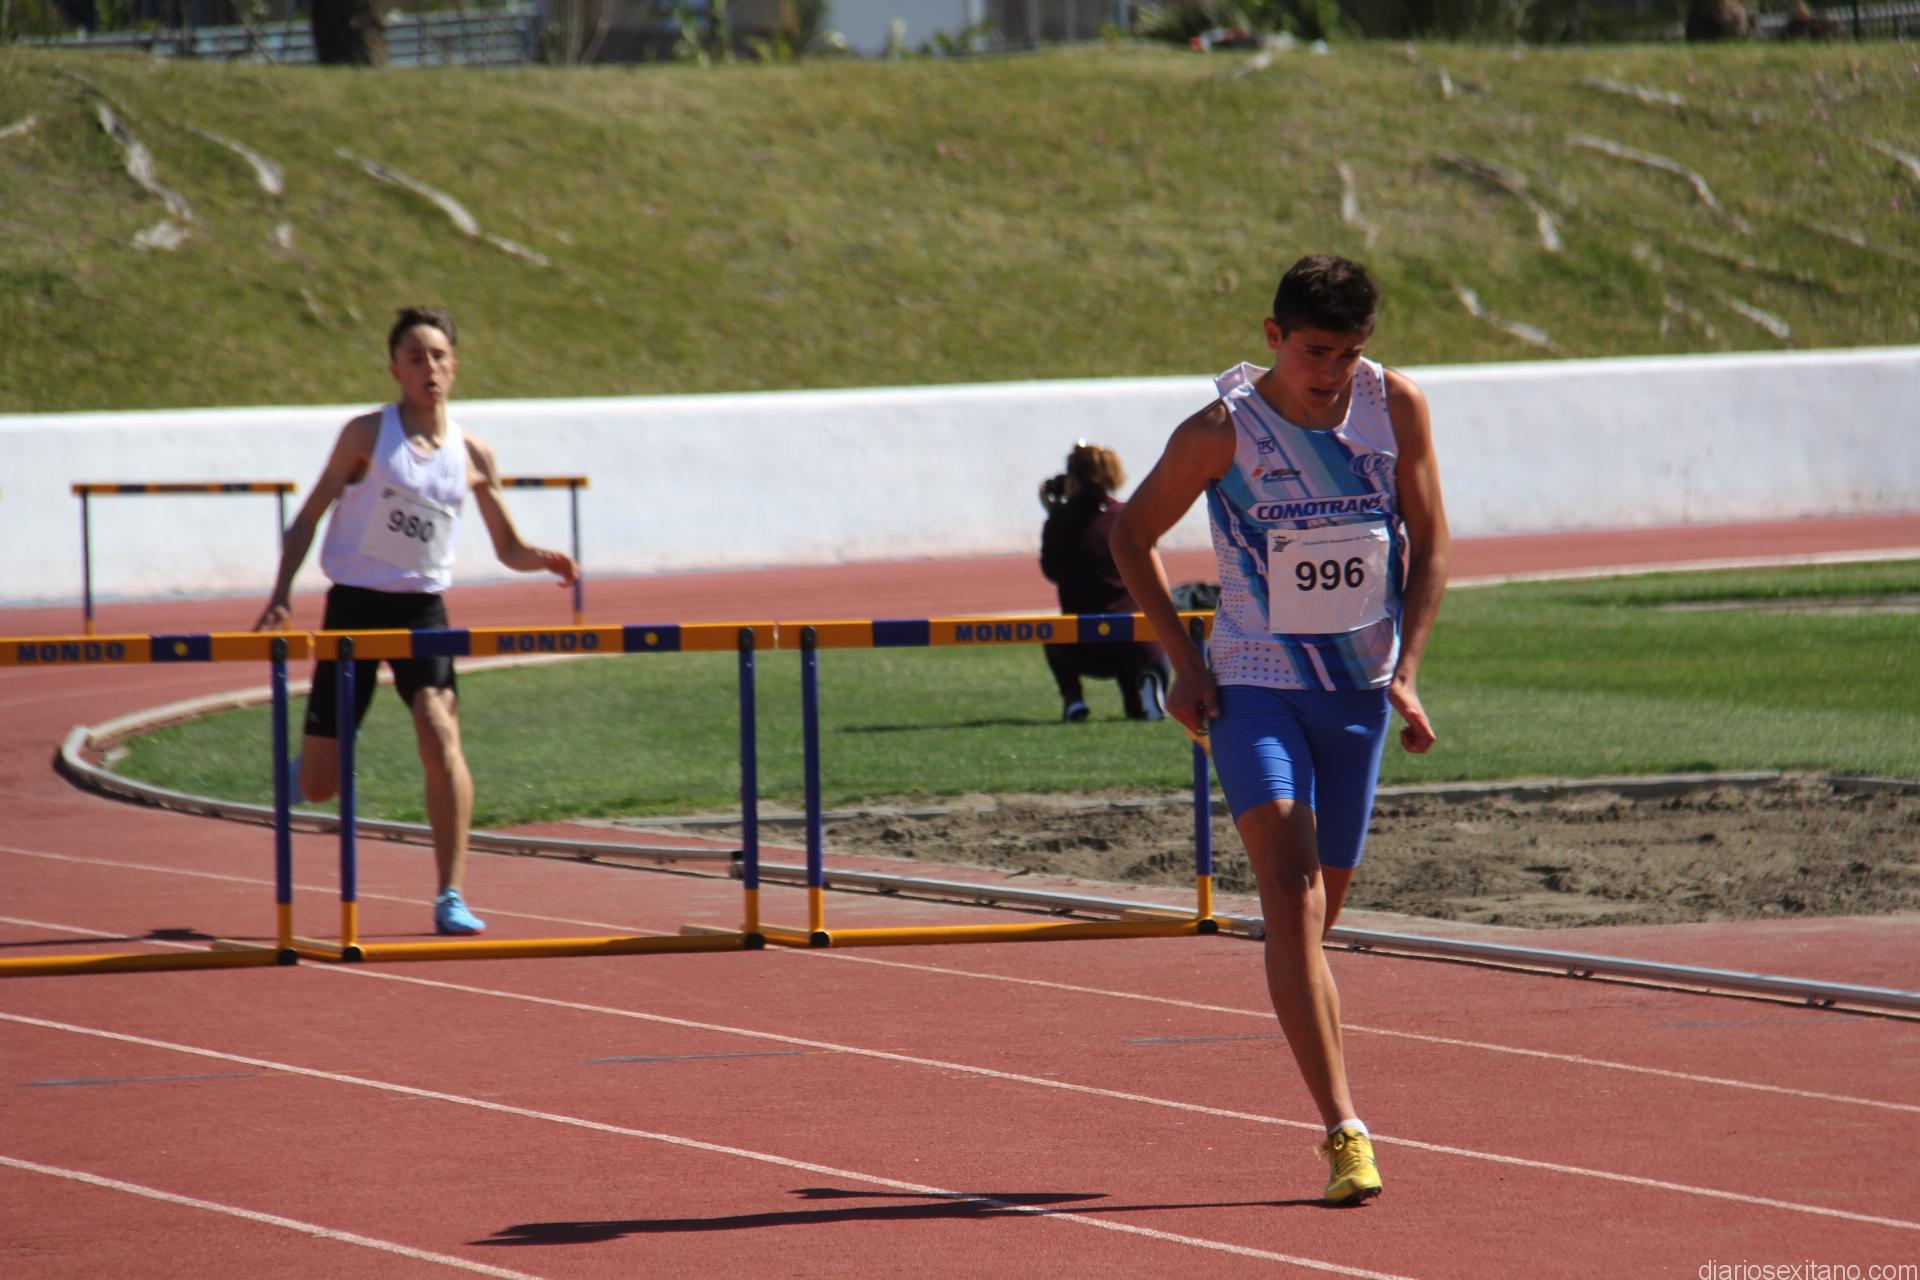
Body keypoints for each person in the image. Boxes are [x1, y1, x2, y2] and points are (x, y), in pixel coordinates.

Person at [1110, 256, 1449, 1205]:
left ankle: (1305, 1028)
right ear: (1273, 337)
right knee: (1292, 893)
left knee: (1313, 919)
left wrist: (1409, 672)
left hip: (1358, 694)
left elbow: (1430, 542)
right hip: (1254, 688)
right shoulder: (1222, 430)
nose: (1331, 372)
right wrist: (1183, 662)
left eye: (1349, 353)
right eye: (1314, 351)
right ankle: (1345, 1131)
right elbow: (1131, 535)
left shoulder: (1396, 408)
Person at [254, 307, 578, 936]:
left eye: (438, 356)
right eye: (414, 357)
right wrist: (281, 594)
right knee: (320, 787)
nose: (428, 368)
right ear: (395, 369)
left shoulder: (473, 452)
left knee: (439, 726)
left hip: (423, 610)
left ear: (454, 366)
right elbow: (308, 516)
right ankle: (306, 770)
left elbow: (507, 547)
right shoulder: (365, 435)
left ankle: (450, 893)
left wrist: (540, 559)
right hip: (354, 608)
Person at [1038, 442, 1174, 723]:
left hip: (1081, 644)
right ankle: (1141, 697)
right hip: (1136, 642)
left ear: (1073, 480)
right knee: (1135, 637)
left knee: (1051, 633)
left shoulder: (1060, 521)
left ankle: (1074, 700)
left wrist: (1054, 514)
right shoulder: (1128, 515)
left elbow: (1051, 570)